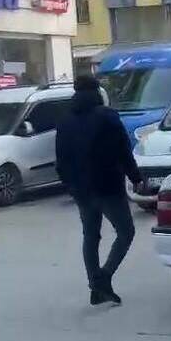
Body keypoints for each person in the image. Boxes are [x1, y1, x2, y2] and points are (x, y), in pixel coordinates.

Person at [56, 76, 143, 305]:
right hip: (108, 187)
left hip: (81, 190)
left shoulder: (64, 121)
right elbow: (123, 151)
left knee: (91, 236)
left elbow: (60, 159)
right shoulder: (107, 117)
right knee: (126, 232)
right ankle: (102, 278)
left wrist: (70, 185)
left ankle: (95, 287)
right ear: (97, 91)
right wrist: (136, 178)